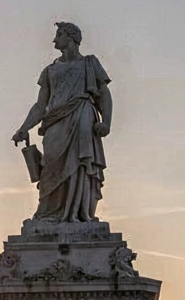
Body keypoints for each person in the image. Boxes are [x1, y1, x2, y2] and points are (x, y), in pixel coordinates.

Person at [11, 21, 113, 223]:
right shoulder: (50, 70)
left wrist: (107, 122)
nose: (54, 39)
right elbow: (40, 105)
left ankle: (78, 213)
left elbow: (103, 94)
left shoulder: (89, 63)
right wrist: (24, 127)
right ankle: (50, 213)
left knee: (81, 165)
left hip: (82, 115)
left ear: (72, 37)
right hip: (54, 122)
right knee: (50, 166)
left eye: (59, 34)